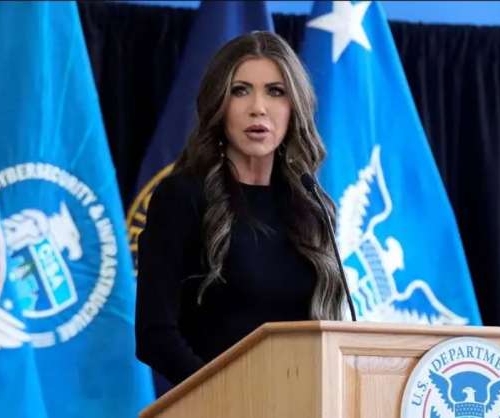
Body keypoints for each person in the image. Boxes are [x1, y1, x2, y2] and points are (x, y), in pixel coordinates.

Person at [135, 31, 345, 387]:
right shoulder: (181, 196)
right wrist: (225, 394)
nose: (258, 107)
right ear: (219, 104)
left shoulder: (312, 206)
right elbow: (155, 334)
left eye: (275, 91)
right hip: (212, 403)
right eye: (240, 90)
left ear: (295, 107)